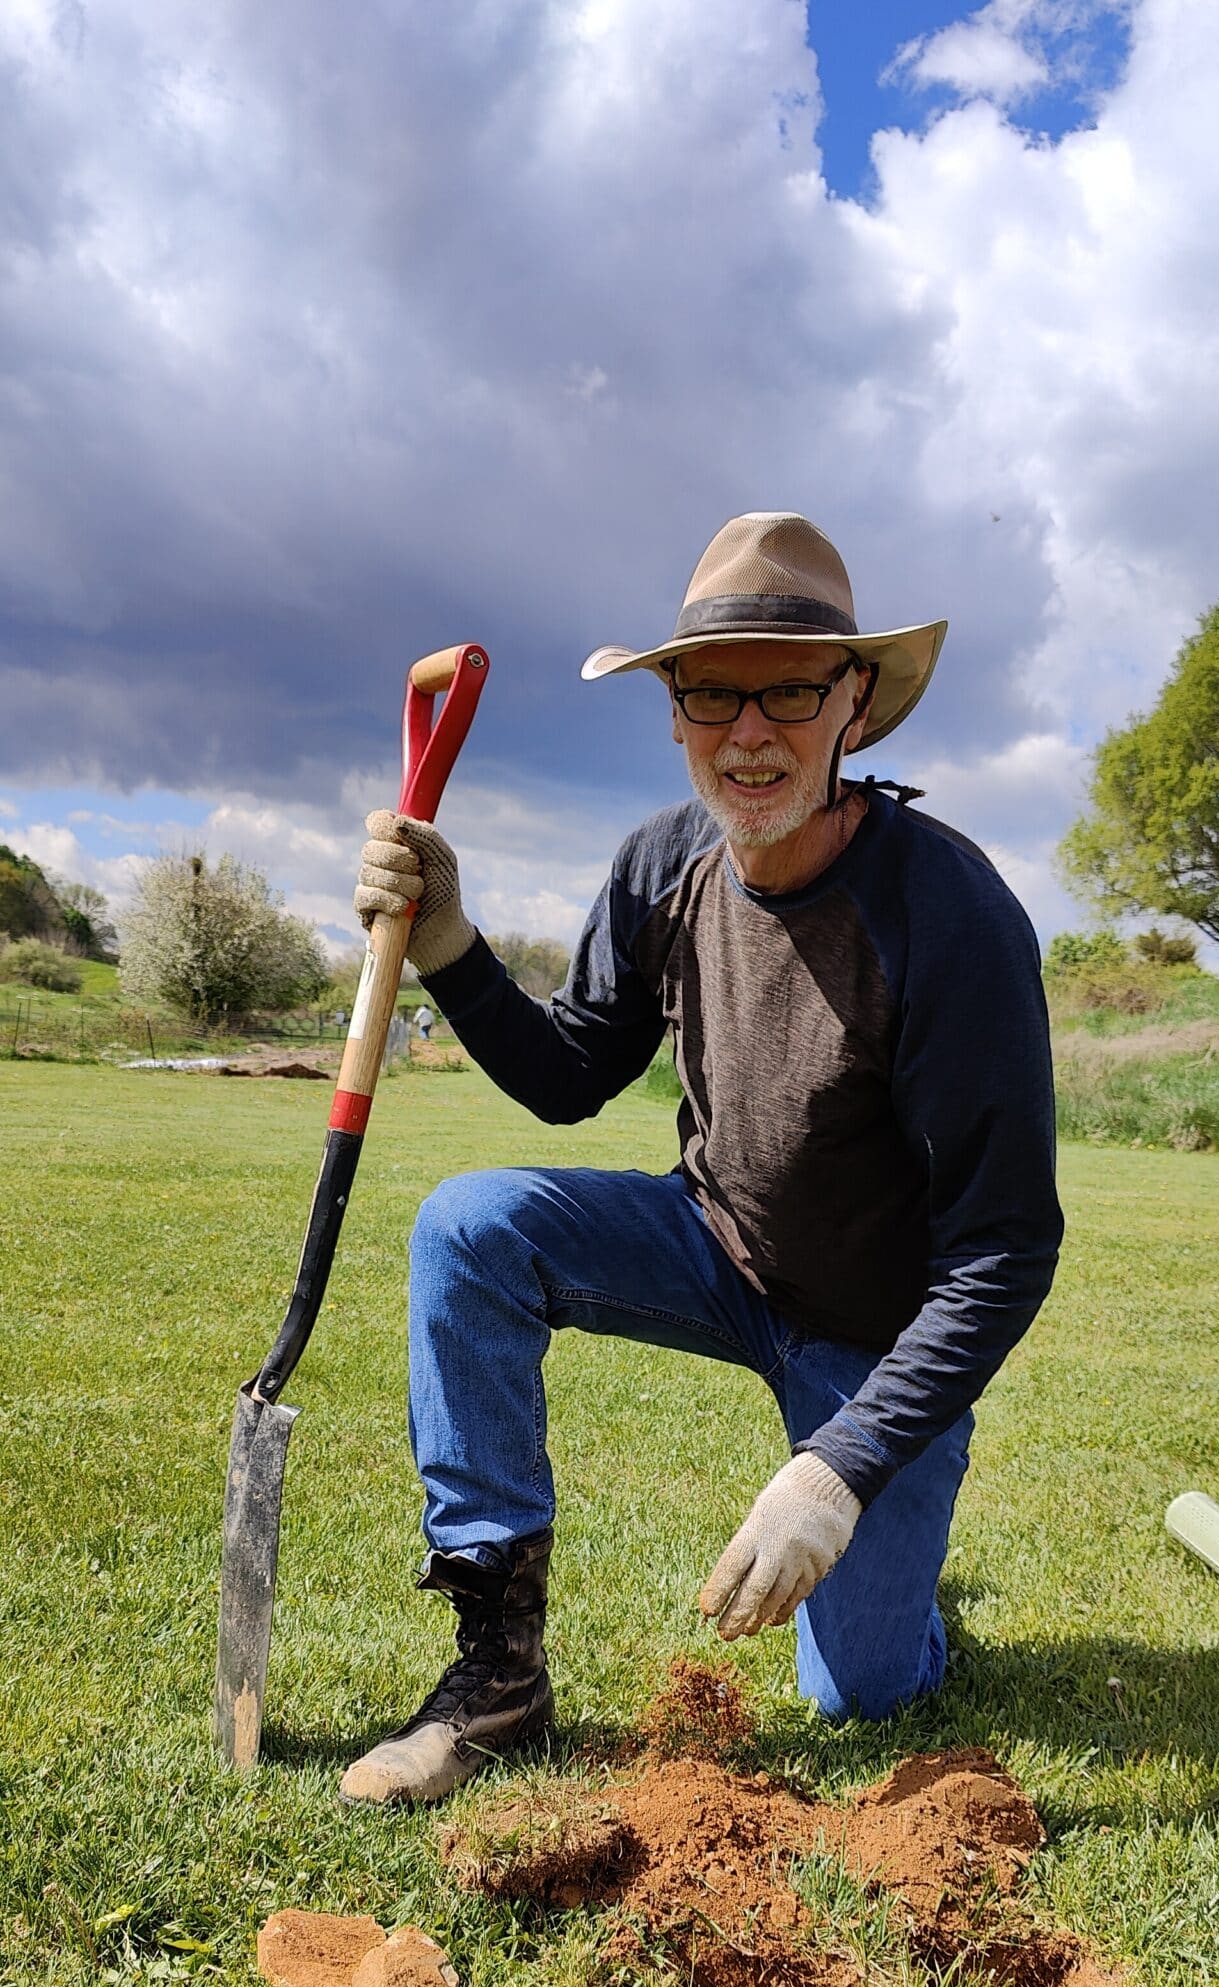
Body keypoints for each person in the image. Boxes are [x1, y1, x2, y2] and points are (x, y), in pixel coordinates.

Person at [339, 513, 1061, 1807]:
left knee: (862, 1694)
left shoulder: (949, 916)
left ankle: (897, 1526)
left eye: (788, 689)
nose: (748, 732)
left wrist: (842, 1465)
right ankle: (495, 1670)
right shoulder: (661, 865)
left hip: (873, 1335)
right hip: (711, 1248)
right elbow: (565, 1079)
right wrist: (448, 940)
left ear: (853, 703)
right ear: (672, 710)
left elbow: (1004, 1251)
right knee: (469, 1230)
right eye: (711, 692)